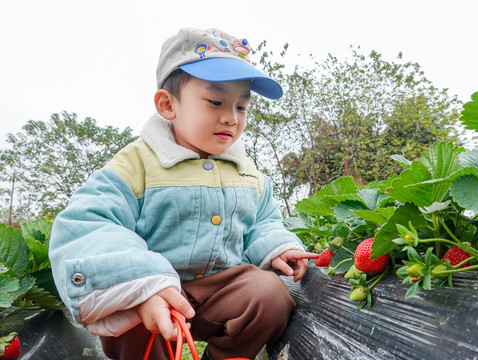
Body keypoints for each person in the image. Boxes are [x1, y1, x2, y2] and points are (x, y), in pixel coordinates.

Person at [49, 27, 318, 360]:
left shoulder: (249, 174)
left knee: (270, 294)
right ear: (167, 105)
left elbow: (262, 221)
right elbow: (90, 223)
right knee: (131, 313)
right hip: (152, 291)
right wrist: (143, 284)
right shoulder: (137, 164)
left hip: (222, 291)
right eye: (216, 102)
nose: (230, 117)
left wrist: (276, 246)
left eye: (241, 107)